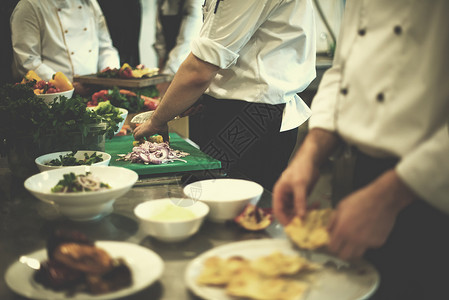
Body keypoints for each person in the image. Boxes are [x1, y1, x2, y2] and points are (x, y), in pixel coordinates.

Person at [272, 1, 449, 299]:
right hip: (361, 180)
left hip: (431, 192)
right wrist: (310, 153)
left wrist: (390, 196)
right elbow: (344, 70)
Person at [134, 0, 316, 191]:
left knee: (222, 202)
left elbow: (199, 69)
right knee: (206, 197)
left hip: (251, 118)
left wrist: (157, 120)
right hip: (239, 110)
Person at [10, 0, 120, 94]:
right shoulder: (29, 6)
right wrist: (68, 87)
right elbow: (28, 61)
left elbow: (105, 49)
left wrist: (110, 77)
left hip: (94, 95)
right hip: (54, 98)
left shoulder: (90, 3)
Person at [153, 0, 203, 98]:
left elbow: (185, 43)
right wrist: (159, 75)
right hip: (168, 66)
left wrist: (165, 79)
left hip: (188, 64)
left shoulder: (194, 3)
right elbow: (160, 40)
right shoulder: (162, 3)